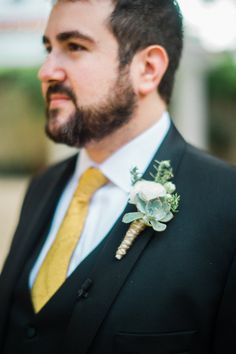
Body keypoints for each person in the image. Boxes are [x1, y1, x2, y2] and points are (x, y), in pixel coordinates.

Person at [0, 0, 236, 353]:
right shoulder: (43, 185)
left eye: (74, 47)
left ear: (148, 68)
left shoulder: (227, 202)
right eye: (49, 49)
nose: (46, 70)